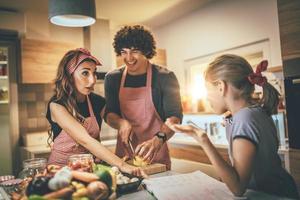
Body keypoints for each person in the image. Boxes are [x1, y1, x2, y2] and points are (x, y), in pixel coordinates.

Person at [166, 54, 299, 199]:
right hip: (283, 191)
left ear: (221, 87)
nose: (206, 97)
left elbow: (238, 187)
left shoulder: (243, 120)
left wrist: (202, 138)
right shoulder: (255, 111)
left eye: (207, 89)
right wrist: (231, 123)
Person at [46, 48, 146, 177]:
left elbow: (110, 117)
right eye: (85, 73)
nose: (93, 80)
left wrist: (121, 123)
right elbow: (85, 140)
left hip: (88, 170)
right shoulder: (57, 105)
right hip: (59, 173)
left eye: (94, 73)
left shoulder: (96, 101)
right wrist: (122, 165)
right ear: (69, 76)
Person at [104, 25, 182, 169]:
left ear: (146, 51)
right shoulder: (113, 78)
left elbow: (174, 117)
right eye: (124, 52)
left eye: (135, 51)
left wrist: (158, 139)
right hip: (125, 156)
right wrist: (121, 123)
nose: (129, 58)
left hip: (156, 153)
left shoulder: (165, 77)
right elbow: (109, 113)